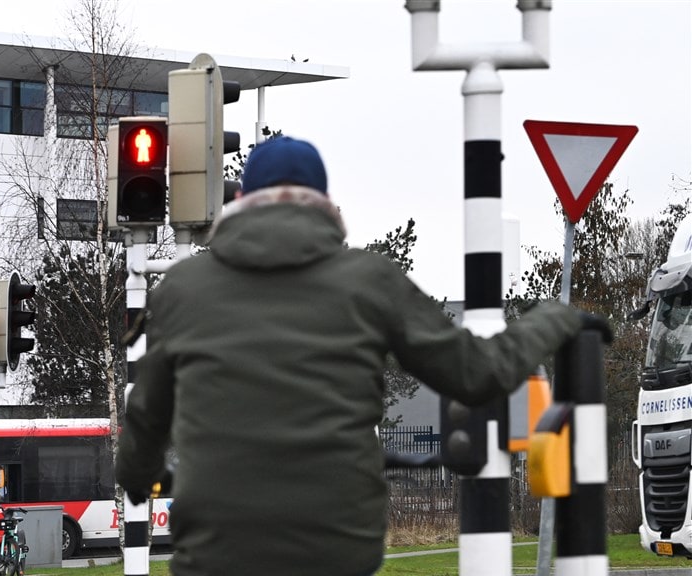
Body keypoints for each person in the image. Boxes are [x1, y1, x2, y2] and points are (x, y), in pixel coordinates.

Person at [114, 136, 596, 576]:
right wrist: (553, 318)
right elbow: (476, 372)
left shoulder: (183, 289)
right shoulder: (368, 280)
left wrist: (142, 478)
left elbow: (146, 417)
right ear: (324, 205)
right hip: (335, 548)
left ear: (238, 203)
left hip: (217, 550)